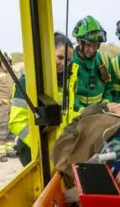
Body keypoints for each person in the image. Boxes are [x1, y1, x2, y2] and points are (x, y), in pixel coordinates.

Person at [9, 32, 74, 167]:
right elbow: (16, 122)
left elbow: (64, 113)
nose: (64, 64)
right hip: (33, 150)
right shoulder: (27, 81)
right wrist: (41, 144)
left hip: (57, 147)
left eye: (68, 60)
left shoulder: (61, 80)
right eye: (60, 57)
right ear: (48, 53)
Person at [71, 16, 113, 112]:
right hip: (76, 114)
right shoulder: (69, 62)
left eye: (95, 45)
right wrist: (81, 110)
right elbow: (66, 94)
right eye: (88, 45)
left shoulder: (104, 60)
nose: (92, 49)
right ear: (78, 41)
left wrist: (106, 102)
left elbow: (109, 87)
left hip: (100, 114)